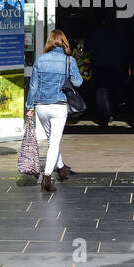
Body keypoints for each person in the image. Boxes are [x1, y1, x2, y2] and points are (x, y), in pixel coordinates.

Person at [25, 29, 83, 193]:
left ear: (49, 42)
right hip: (58, 106)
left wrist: (29, 106)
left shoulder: (40, 60)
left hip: (41, 106)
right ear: (64, 42)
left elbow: (33, 86)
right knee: (54, 142)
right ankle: (47, 179)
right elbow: (78, 82)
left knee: (52, 140)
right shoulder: (69, 60)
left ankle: (62, 169)